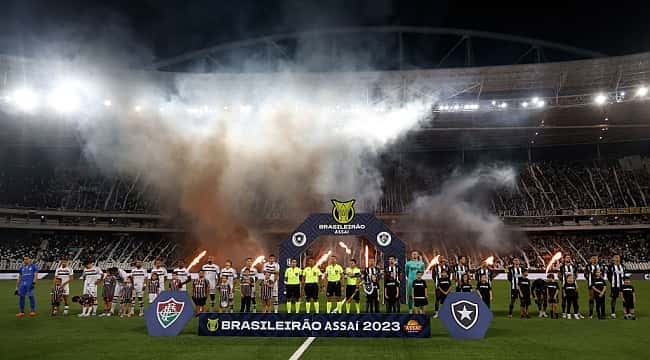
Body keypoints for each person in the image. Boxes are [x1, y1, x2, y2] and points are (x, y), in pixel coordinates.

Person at [558, 255, 578, 319]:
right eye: (567, 257)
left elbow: (576, 274)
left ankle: (576, 313)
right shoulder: (562, 267)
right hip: (565, 285)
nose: (568, 258)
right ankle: (564, 313)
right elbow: (559, 275)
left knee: (575, 299)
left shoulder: (574, 266)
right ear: (564, 259)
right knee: (564, 299)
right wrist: (563, 280)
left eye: (569, 257)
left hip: (573, 284)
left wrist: (573, 280)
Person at [608, 254, 625, 319]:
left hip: (622, 285)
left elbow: (624, 275)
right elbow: (608, 275)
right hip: (614, 286)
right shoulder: (611, 266)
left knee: (625, 298)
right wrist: (612, 282)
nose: (617, 259)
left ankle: (626, 312)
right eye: (615, 257)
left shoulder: (622, 266)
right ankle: (613, 313)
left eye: (618, 257)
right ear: (613, 259)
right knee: (614, 298)